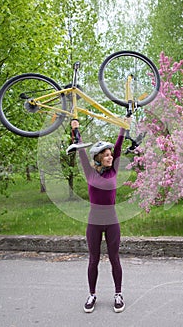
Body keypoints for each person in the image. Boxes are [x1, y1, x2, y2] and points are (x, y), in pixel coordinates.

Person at [70, 118, 131, 313]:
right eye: (105, 155)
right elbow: (80, 150)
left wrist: (124, 126)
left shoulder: (113, 171)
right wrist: (76, 129)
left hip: (112, 220)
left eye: (110, 154)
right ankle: (92, 294)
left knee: (114, 258)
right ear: (98, 158)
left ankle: (118, 294)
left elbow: (119, 147)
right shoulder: (90, 173)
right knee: (93, 259)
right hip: (94, 221)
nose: (110, 157)